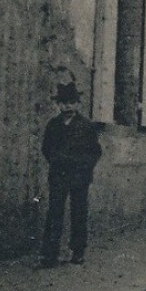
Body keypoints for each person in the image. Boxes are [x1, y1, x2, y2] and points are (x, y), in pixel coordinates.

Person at [40, 80, 101, 267]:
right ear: (59, 105)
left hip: (79, 176)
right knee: (55, 212)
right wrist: (56, 161)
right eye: (64, 102)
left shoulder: (86, 126)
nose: (68, 106)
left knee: (79, 212)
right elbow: (46, 148)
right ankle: (50, 254)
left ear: (78, 104)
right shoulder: (53, 125)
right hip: (59, 175)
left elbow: (95, 151)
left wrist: (84, 167)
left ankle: (78, 251)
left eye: (72, 102)